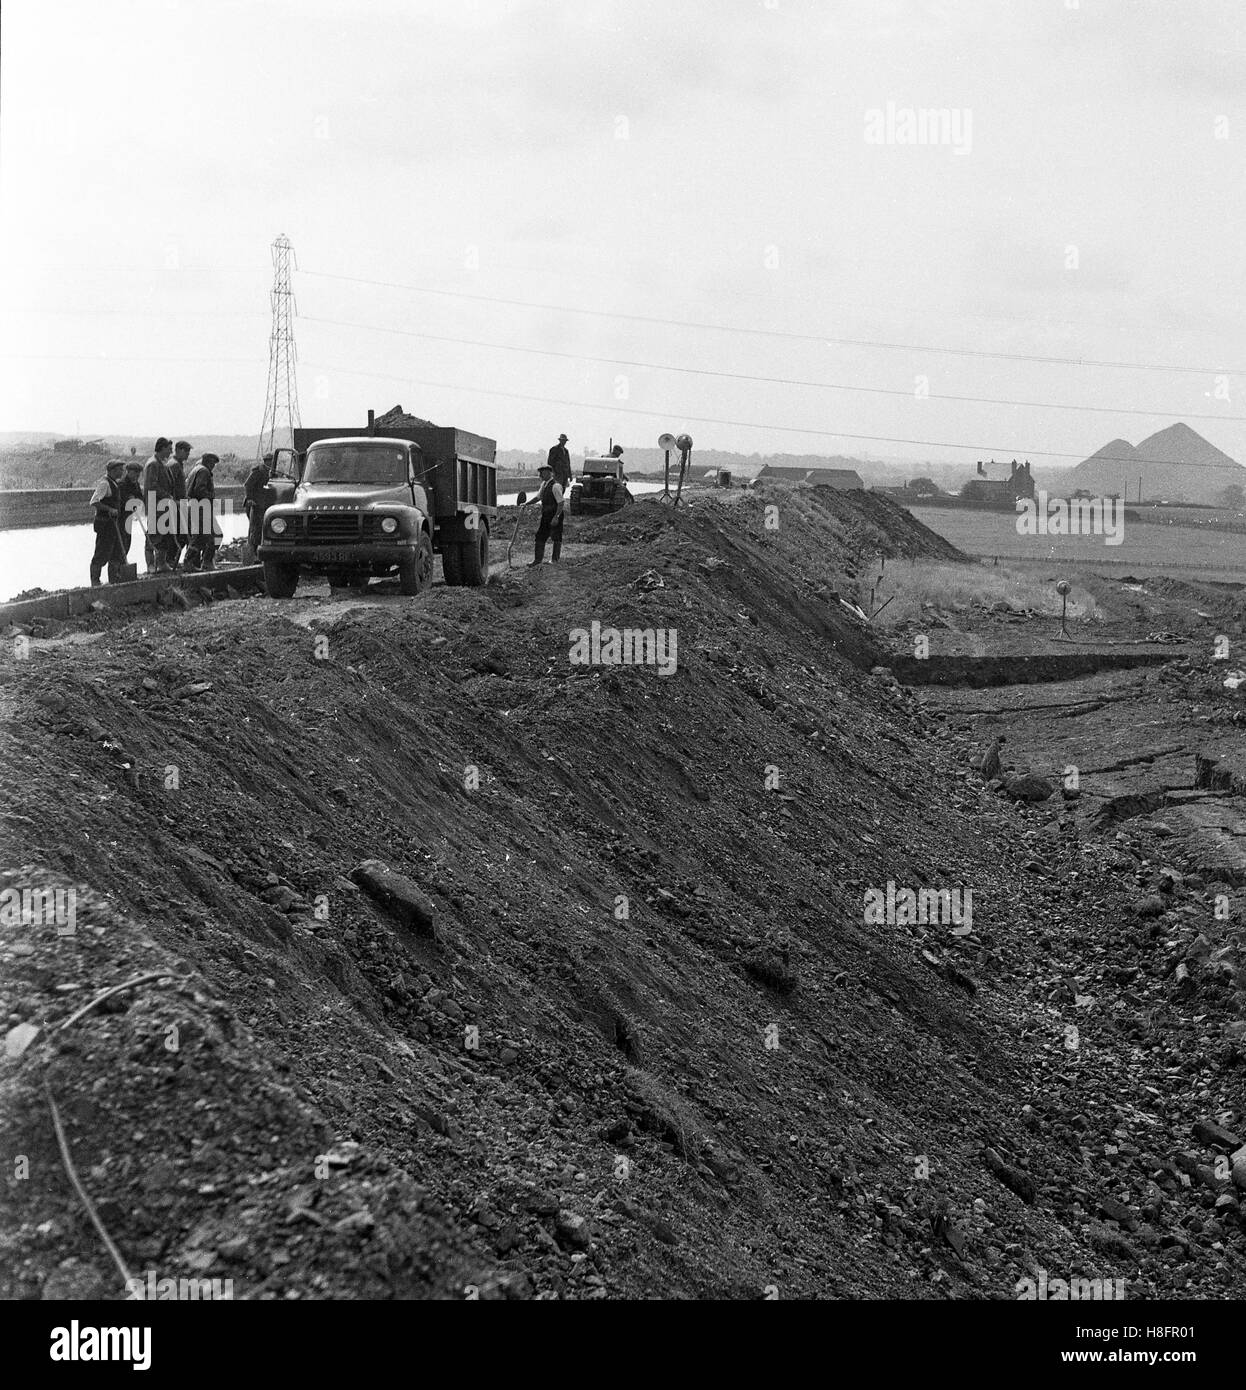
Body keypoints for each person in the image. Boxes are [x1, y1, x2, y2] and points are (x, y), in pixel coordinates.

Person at [141, 437, 177, 573]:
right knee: (154, 535)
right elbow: (151, 486)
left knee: (163, 534)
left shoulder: (160, 463)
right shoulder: (153, 464)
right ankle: (152, 565)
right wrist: (167, 496)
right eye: (169, 449)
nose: (170, 452)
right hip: (155, 507)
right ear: (162, 448)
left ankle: (160, 563)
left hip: (162, 506)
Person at [88, 459, 126, 586]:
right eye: (120, 469)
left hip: (112, 524)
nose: (122, 472)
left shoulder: (114, 483)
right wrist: (109, 509)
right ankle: (95, 581)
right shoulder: (104, 484)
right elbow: (94, 501)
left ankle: (113, 579)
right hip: (104, 524)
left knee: (114, 551)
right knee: (101, 552)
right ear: (113, 470)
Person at [183, 453, 220, 570]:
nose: (213, 466)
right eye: (213, 463)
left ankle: (205, 562)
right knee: (203, 537)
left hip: (194, 506)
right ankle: (191, 562)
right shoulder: (204, 471)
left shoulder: (196, 469)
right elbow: (199, 489)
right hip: (200, 507)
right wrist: (210, 496)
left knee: (210, 535)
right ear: (209, 462)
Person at [525, 463, 565, 565]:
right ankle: (537, 560)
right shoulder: (544, 485)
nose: (540, 476)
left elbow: (561, 503)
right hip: (546, 514)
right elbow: (538, 497)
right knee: (540, 536)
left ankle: (555, 560)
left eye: (542, 473)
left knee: (556, 536)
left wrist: (556, 517)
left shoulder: (556, 486)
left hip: (555, 513)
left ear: (549, 473)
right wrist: (526, 504)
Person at [168, 441, 192, 569]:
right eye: (186, 451)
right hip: (175, 505)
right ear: (179, 450)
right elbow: (169, 485)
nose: (188, 454)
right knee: (178, 534)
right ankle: (170, 560)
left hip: (180, 503)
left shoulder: (178, 465)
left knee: (182, 534)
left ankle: (173, 560)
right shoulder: (174, 465)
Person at [243, 452, 273, 557]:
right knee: (256, 529)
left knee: (264, 528)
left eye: (272, 460)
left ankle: (259, 552)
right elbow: (248, 485)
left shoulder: (272, 472)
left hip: (265, 505)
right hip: (255, 505)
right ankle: (254, 553)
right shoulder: (258, 471)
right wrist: (250, 498)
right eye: (269, 460)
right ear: (265, 461)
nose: (271, 462)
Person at [118, 459, 144, 559]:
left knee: (127, 541)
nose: (137, 475)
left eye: (139, 473)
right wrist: (130, 500)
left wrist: (136, 501)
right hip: (121, 518)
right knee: (121, 542)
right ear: (128, 472)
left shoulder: (135, 484)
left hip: (129, 517)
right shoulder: (122, 484)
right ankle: (119, 567)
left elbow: (140, 498)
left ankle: (123, 563)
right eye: (135, 472)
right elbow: (122, 500)